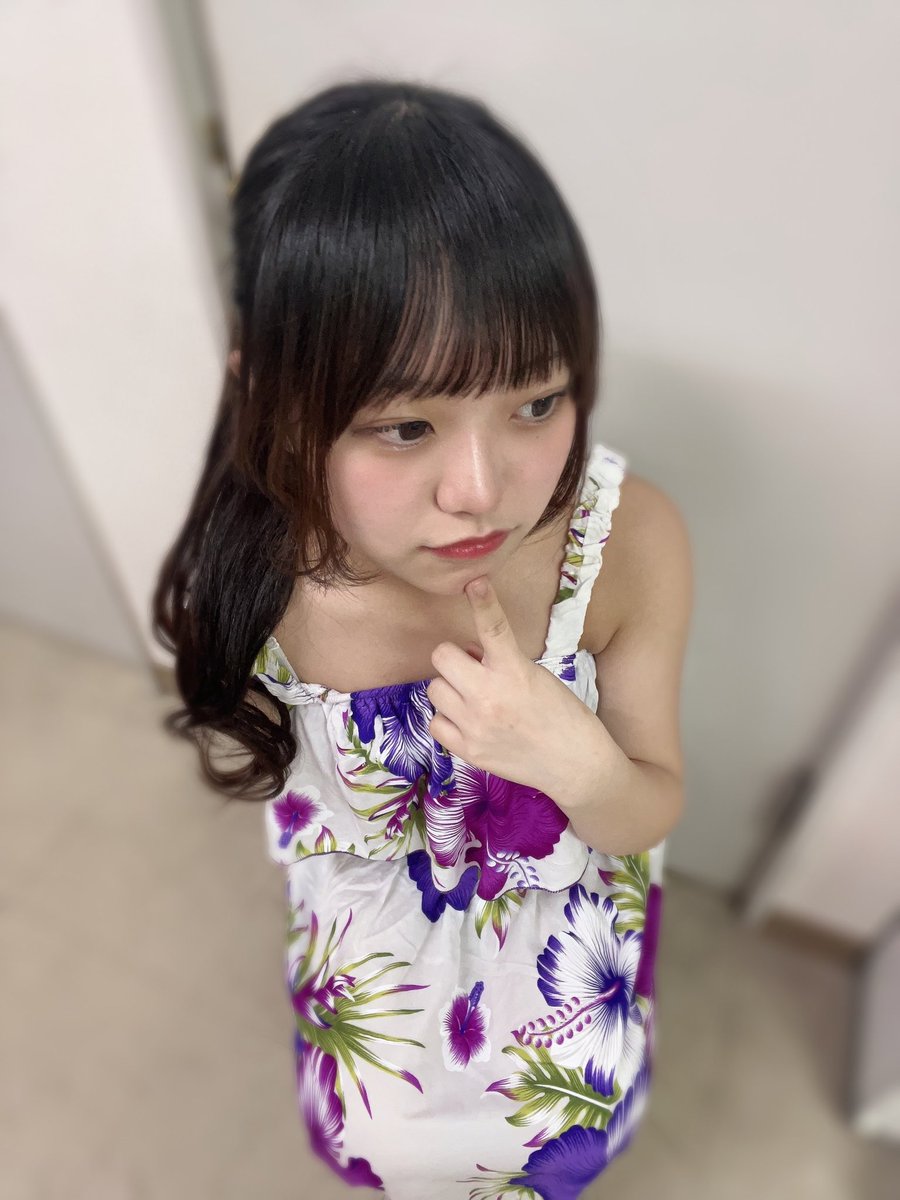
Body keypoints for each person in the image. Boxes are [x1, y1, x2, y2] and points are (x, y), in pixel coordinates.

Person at [153, 77, 693, 1200]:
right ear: (273, 402)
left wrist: (572, 757)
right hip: (373, 899)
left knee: (574, 1116)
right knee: (377, 1128)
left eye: (536, 404)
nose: (480, 491)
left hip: (569, 887)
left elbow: (650, 802)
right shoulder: (259, 561)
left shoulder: (626, 544)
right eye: (406, 426)